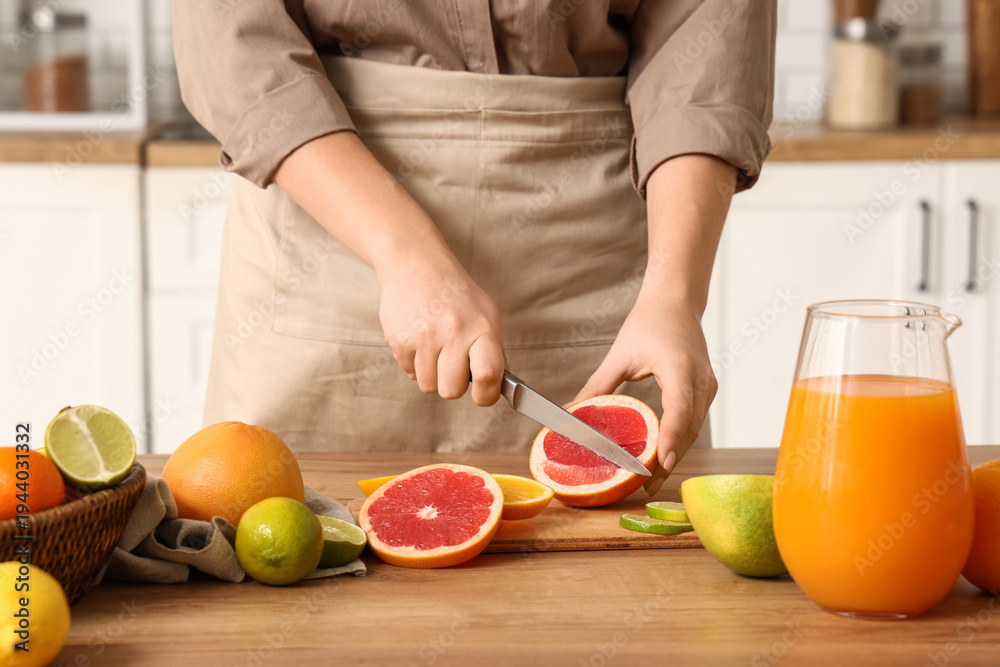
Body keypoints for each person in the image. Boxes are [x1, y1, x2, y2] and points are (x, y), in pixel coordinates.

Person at [172, 1, 775, 472]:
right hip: (326, 229)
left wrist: (674, 296)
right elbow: (235, 40)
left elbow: (705, 54)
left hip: (598, 258)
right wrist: (401, 253)